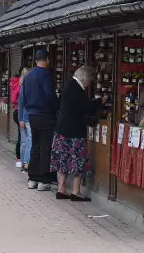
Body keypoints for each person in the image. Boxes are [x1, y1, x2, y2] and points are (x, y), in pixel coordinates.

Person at [51, 66, 104, 202]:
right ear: (85, 79)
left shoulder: (69, 85)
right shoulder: (76, 89)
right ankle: (76, 191)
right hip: (74, 132)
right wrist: (100, 101)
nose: (88, 85)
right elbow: (87, 107)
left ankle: (61, 189)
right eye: (89, 81)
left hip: (61, 130)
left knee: (62, 160)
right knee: (78, 162)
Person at [20, 49, 59, 191]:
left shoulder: (28, 76)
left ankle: (33, 178)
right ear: (47, 59)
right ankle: (43, 180)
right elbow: (50, 96)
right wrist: (57, 107)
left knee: (35, 147)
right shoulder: (46, 75)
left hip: (32, 116)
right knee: (45, 147)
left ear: (36, 60)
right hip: (45, 115)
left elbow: (23, 97)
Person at [17, 68, 32, 173]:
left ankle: (23, 163)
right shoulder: (26, 87)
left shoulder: (23, 85)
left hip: (24, 116)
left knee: (25, 141)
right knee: (28, 141)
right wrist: (21, 118)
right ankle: (25, 164)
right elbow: (21, 103)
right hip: (26, 116)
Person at [9, 69, 22, 168]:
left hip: (16, 111)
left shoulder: (13, 83)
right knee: (23, 138)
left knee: (21, 136)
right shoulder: (19, 84)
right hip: (20, 111)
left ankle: (18, 159)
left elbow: (13, 99)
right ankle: (21, 160)